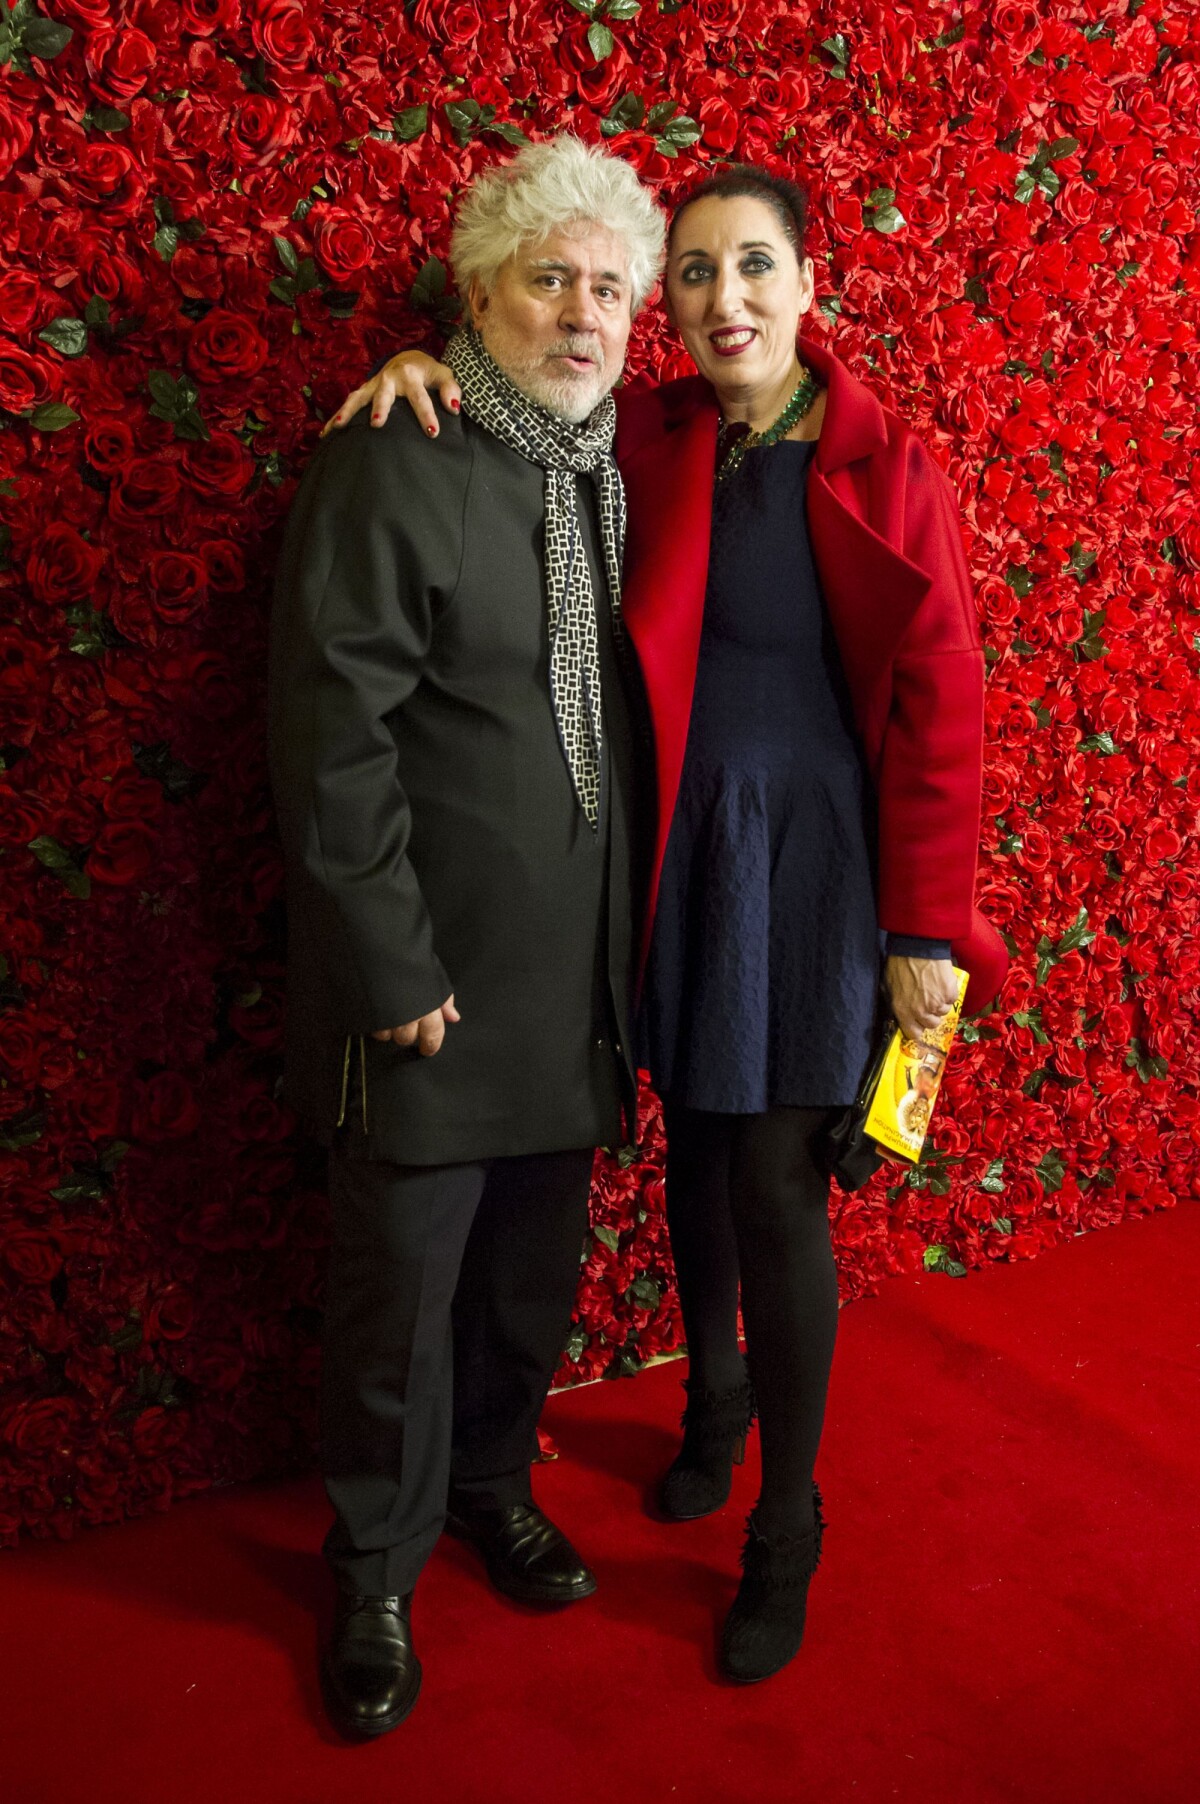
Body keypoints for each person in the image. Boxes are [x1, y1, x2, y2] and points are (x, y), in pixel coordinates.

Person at [330, 161, 1008, 1685]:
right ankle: (713, 1403)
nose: (723, 300)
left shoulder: (885, 458)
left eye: (753, 267)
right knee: (699, 1153)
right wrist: (422, 360)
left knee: (777, 1190)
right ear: (664, 309)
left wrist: (924, 932)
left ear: (808, 287)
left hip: (822, 869)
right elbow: (517, 406)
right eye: (691, 274)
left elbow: (946, 708)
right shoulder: (647, 433)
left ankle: (787, 1520)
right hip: (675, 855)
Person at [268, 135, 664, 1737]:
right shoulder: (397, 451)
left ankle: (492, 1490)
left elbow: (780, 366)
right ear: (477, 291)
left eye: (611, 292)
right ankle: (373, 1568)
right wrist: (390, 964)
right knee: (396, 1302)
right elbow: (329, 734)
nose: (584, 316)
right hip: (427, 991)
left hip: (569, 989)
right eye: (549, 280)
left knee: (525, 1285)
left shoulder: (605, 467)